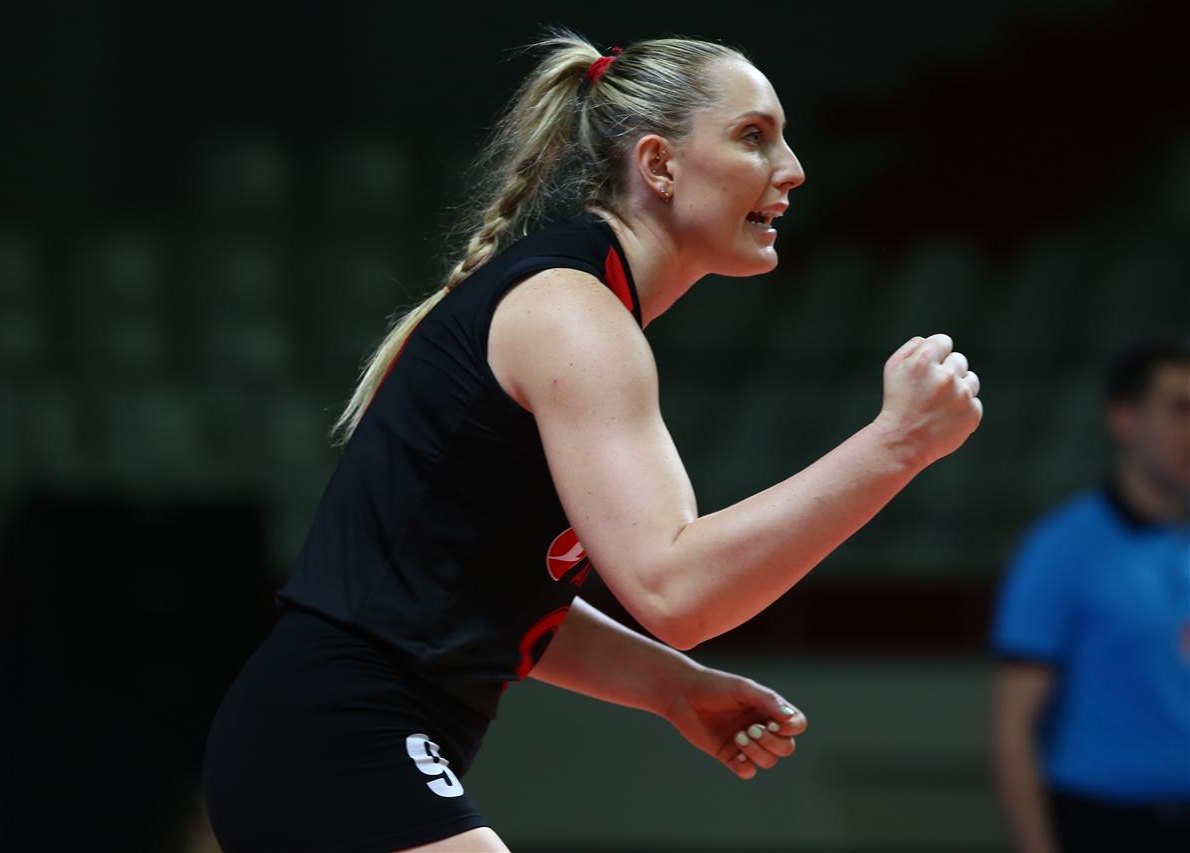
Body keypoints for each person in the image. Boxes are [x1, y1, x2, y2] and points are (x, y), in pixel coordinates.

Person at [203, 27, 983, 853]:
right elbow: (678, 592)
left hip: (318, 740)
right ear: (658, 164)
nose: (790, 169)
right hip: (333, 738)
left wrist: (670, 687)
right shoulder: (574, 315)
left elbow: (490, 594)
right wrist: (897, 443)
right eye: (754, 136)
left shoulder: (574, 301)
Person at [989, 339, 1190, 853]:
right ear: (1125, 420)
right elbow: (1013, 725)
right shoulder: (1062, 548)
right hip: (1105, 822)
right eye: (1180, 409)